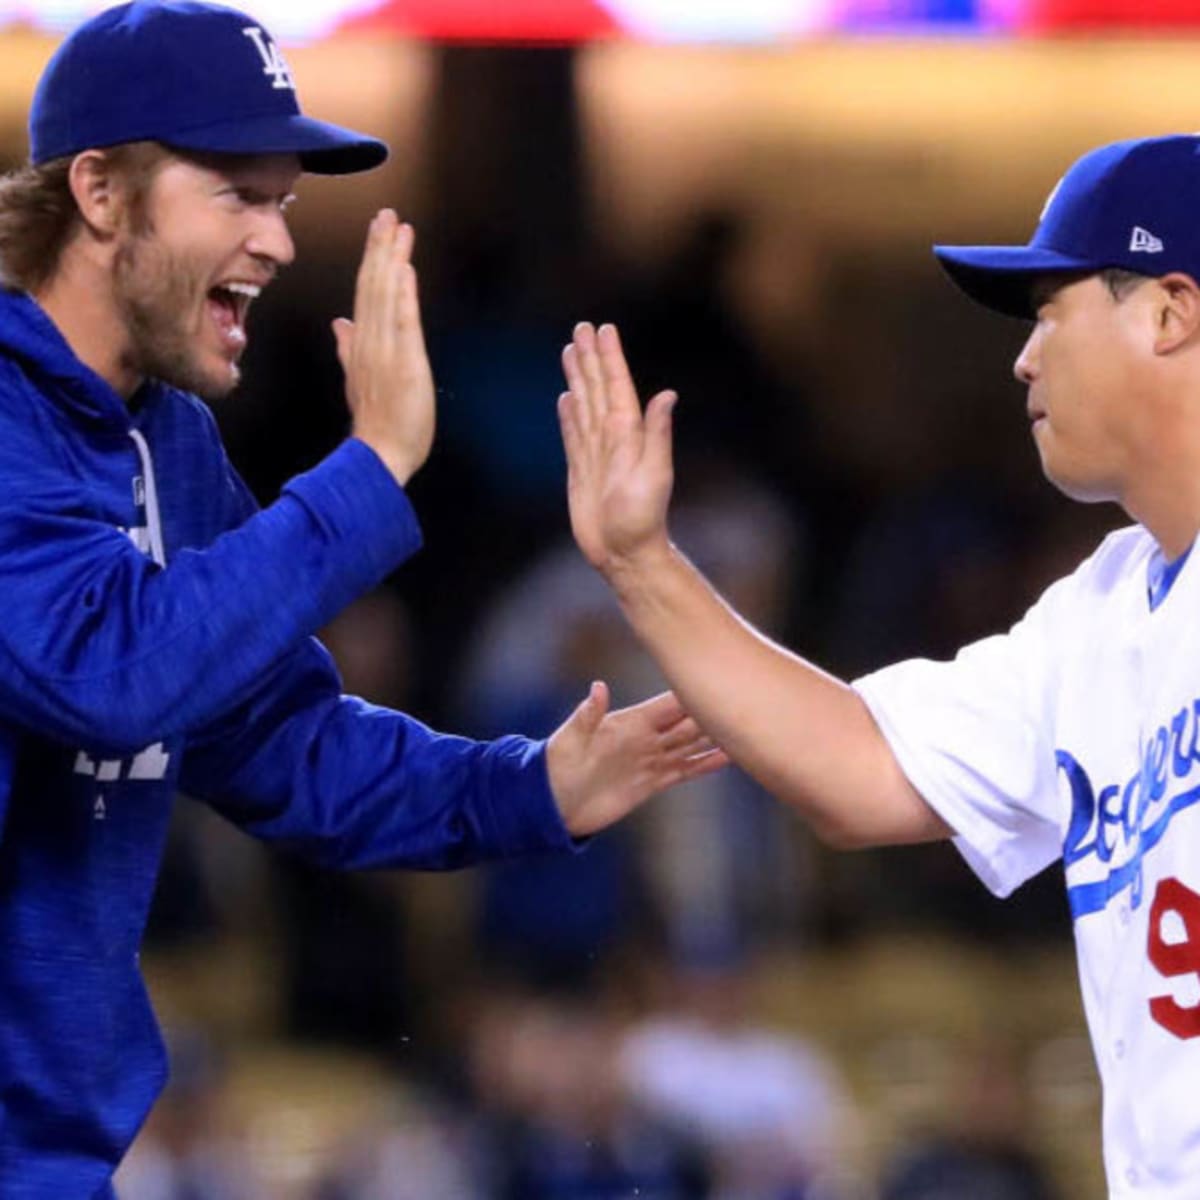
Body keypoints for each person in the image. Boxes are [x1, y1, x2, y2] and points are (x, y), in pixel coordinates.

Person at [0, 2, 727, 1194]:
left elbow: (278, 738)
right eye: (238, 191)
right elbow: (107, 672)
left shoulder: (165, 442)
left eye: (282, 199)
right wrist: (371, 465)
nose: (280, 239)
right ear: (98, 192)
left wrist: (526, 788)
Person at [557, 132, 1200, 1198]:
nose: (1023, 359)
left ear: (1171, 313)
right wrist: (643, 568)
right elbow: (862, 770)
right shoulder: (1097, 614)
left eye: (1050, 310)